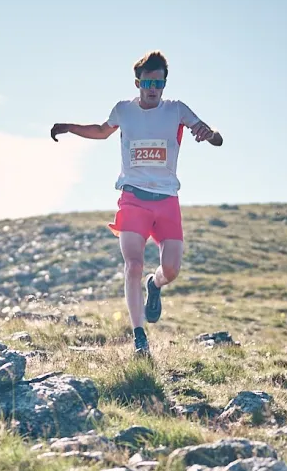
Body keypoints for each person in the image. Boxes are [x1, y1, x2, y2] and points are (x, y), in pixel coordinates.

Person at [50, 50, 223, 356]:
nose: (153, 88)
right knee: (133, 264)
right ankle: (139, 335)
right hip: (133, 198)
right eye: (147, 83)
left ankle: (154, 285)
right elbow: (102, 132)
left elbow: (216, 137)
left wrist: (208, 135)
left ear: (165, 83)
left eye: (158, 82)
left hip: (167, 200)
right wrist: (69, 127)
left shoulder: (176, 110)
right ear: (137, 83)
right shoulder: (124, 110)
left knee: (171, 269)